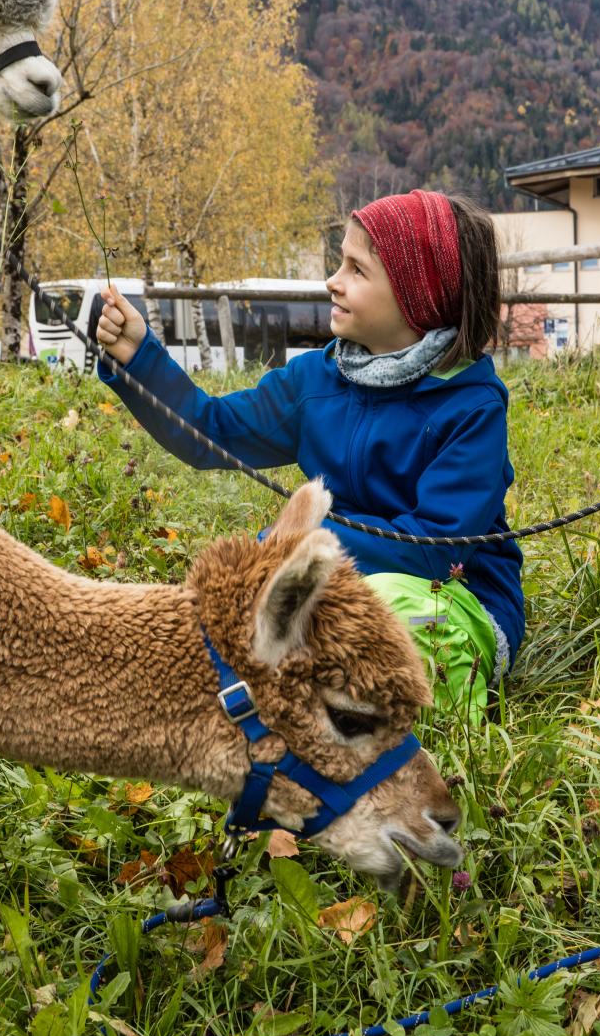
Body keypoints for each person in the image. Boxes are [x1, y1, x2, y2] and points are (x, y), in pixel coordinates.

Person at [95, 190, 524, 722]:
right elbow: (212, 431)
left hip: (458, 597)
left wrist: (305, 547)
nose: (332, 280)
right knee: (237, 602)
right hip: (333, 574)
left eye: (356, 270)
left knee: (384, 612)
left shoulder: (471, 406)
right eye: (338, 262)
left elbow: (434, 548)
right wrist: (140, 359)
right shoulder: (314, 382)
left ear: (417, 297)